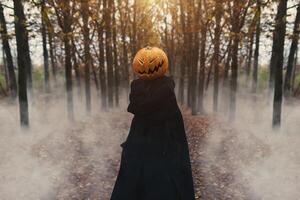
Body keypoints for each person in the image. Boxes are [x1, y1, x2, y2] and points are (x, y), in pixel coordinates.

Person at [110, 46, 195, 200]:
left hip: (142, 154)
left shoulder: (138, 93)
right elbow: (177, 134)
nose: (148, 66)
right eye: (143, 62)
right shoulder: (167, 94)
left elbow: (137, 131)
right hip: (165, 154)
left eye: (152, 63)